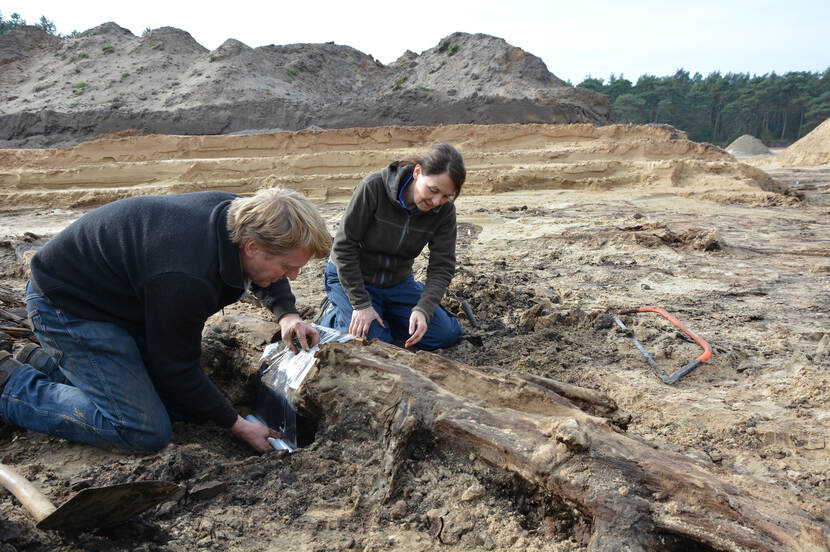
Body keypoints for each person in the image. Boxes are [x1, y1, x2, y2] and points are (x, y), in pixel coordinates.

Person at [0, 188, 331, 454]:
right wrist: (239, 425)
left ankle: (45, 364)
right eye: (288, 267)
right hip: (68, 309)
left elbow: (271, 270)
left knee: (186, 408)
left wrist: (287, 314)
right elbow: (176, 366)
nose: (294, 275)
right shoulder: (186, 276)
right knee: (142, 430)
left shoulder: (240, 216)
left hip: (123, 301)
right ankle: (13, 387)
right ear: (252, 247)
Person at [320, 143, 464, 350]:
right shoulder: (373, 187)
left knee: (444, 334)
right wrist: (361, 304)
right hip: (354, 279)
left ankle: (386, 315)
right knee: (375, 343)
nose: (435, 201)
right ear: (417, 172)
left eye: (445, 196)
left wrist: (423, 309)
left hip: (397, 284)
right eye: (433, 190)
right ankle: (335, 317)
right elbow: (343, 248)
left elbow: (442, 267)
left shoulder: (445, 212)